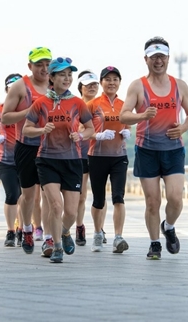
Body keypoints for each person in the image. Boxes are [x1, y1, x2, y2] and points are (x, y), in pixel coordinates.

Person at [119, 36, 188, 259]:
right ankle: (155, 244)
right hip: (147, 150)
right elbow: (123, 115)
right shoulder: (138, 86)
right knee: (152, 202)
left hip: (173, 149)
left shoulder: (179, 86)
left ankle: (169, 226)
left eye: (162, 56)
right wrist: (142, 116)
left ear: (168, 58)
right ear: (146, 59)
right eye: (153, 57)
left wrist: (182, 128)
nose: (158, 61)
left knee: (175, 198)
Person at [22, 56, 95, 263]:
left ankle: (64, 231)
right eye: (62, 75)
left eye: (69, 75)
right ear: (52, 78)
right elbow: (26, 129)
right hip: (47, 159)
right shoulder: (40, 103)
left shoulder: (78, 103)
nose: (67, 78)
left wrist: (80, 135)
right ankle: (56, 246)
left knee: (71, 211)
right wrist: (41, 130)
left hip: (72, 160)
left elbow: (90, 128)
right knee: (55, 205)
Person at [2, 47, 52, 247]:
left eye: (47, 64)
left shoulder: (55, 85)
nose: (44, 68)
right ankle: (27, 229)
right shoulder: (20, 86)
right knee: (29, 195)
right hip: (26, 146)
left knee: (50, 195)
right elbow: (5, 117)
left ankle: (49, 237)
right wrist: (29, 111)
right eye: (39, 65)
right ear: (30, 66)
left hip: (51, 148)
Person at [87, 66, 131, 253]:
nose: (112, 83)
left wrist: (127, 131)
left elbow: (127, 124)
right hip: (97, 156)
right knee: (99, 199)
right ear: (101, 82)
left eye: (115, 79)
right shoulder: (92, 105)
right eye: (108, 79)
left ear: (119, 82)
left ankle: (118, 237)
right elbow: (81, 130)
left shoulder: (125, 105)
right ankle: (98, 233)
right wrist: (97, 135)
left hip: (119, 156)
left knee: (118, 197)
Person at [0, 73, 24, 247]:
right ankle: (10, 231)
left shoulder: (31, 108)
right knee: (12, 194)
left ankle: (22, 229)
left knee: (24, 197)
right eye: (11, 89)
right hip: (5, 159)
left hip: (26, 158)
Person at [75, 70, 102, 247]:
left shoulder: (102, 105)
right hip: (81, 154)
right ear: (80, 87)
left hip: (101, 153)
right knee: (81, 195)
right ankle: (79, 226)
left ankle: (100, 230)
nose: (92, 87)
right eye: (88, 85)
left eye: (94, 84)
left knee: (100, 196)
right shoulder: (75, 105)